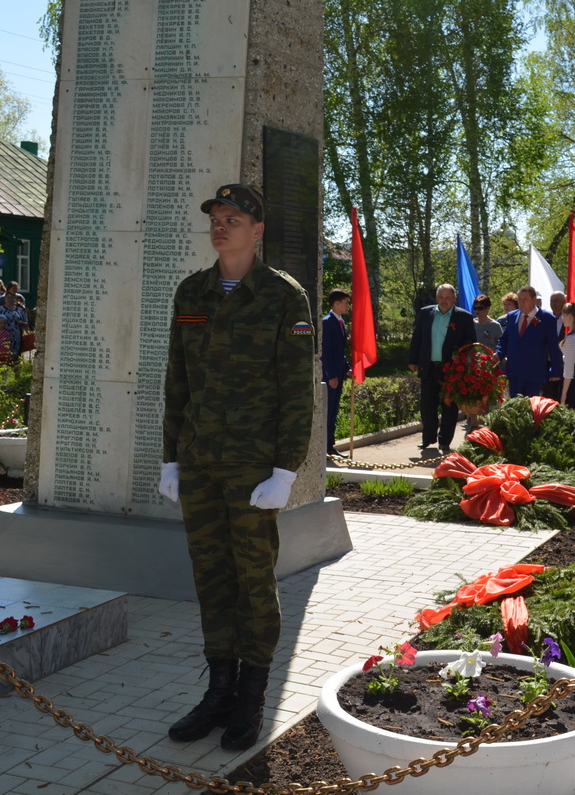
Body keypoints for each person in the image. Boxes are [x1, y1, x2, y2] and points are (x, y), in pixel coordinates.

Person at [159, 183, 315, 751]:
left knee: (253, 580)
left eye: (233, 218)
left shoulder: (283, 297)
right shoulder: (192, 292)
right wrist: (170, 456)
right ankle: (218, 691)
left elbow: (297, 392)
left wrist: (285, 470)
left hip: (253, 470)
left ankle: (251, 698)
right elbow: (177, 381)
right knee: (211, 578)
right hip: (200, 463)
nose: (220, 226)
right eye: (216, 218)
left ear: (258, 230)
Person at [408, 284, 476, 452]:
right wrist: (412, 359)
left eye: (447, 298)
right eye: (441, 297)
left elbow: (471, 341)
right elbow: (417, 337)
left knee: (449, 407)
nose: (444, 301)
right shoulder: (426, 313)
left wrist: (460, 353)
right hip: (428, 367)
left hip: (451, 370)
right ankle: (428, 438)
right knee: (427, 406)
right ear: (436, 298)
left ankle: (444, 441)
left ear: (454, 299)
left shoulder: (463, 317)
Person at [495, 285, 563, 398]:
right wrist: (499, 353)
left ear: (534, 300)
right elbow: (505, 338)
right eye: (519, 299)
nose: (521, 302)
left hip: (534, 374)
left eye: (525, 299)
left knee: (531, 409)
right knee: (515, 409)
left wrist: (556, 370)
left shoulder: (547, 318)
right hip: (514, 372)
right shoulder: (512, 316)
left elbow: (553, 346)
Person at [321, 288, 350, 458]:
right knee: (329, 411)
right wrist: (331, 375)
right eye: (345, 302)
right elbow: (326, 352)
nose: (348, 306)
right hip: (331, 376)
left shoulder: (341, 321)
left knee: (334, 411)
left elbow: (340, 352)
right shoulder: (327, 322)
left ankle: (330, 446)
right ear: (336, 303)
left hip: (338, 375)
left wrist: (347, 368)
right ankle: (326, 446)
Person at [0, 294, 30, 360]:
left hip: (16, 336)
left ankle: (15, 366)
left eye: (12, 298)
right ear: (5, 299)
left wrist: (21, 323)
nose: (10, 299)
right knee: (2, 354)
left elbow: (26, 323)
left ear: (15, 299)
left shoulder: (20, 310)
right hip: (2, 335)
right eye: (8, 298)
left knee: (15, 354)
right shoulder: (0, 309)